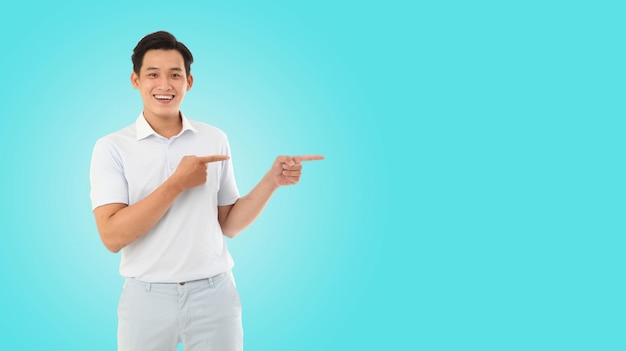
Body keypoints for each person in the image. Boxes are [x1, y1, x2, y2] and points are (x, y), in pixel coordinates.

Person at [89, 30, 323, 351]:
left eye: (175, 75)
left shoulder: (214, 138)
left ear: (189, 82)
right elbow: (112, 237)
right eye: (152, 74)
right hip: (146, 298)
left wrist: (272, 181)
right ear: (135, 80)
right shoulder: (112, 147)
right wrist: (176, 184)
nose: (164, 85)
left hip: (215, 295)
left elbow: (229, 224)